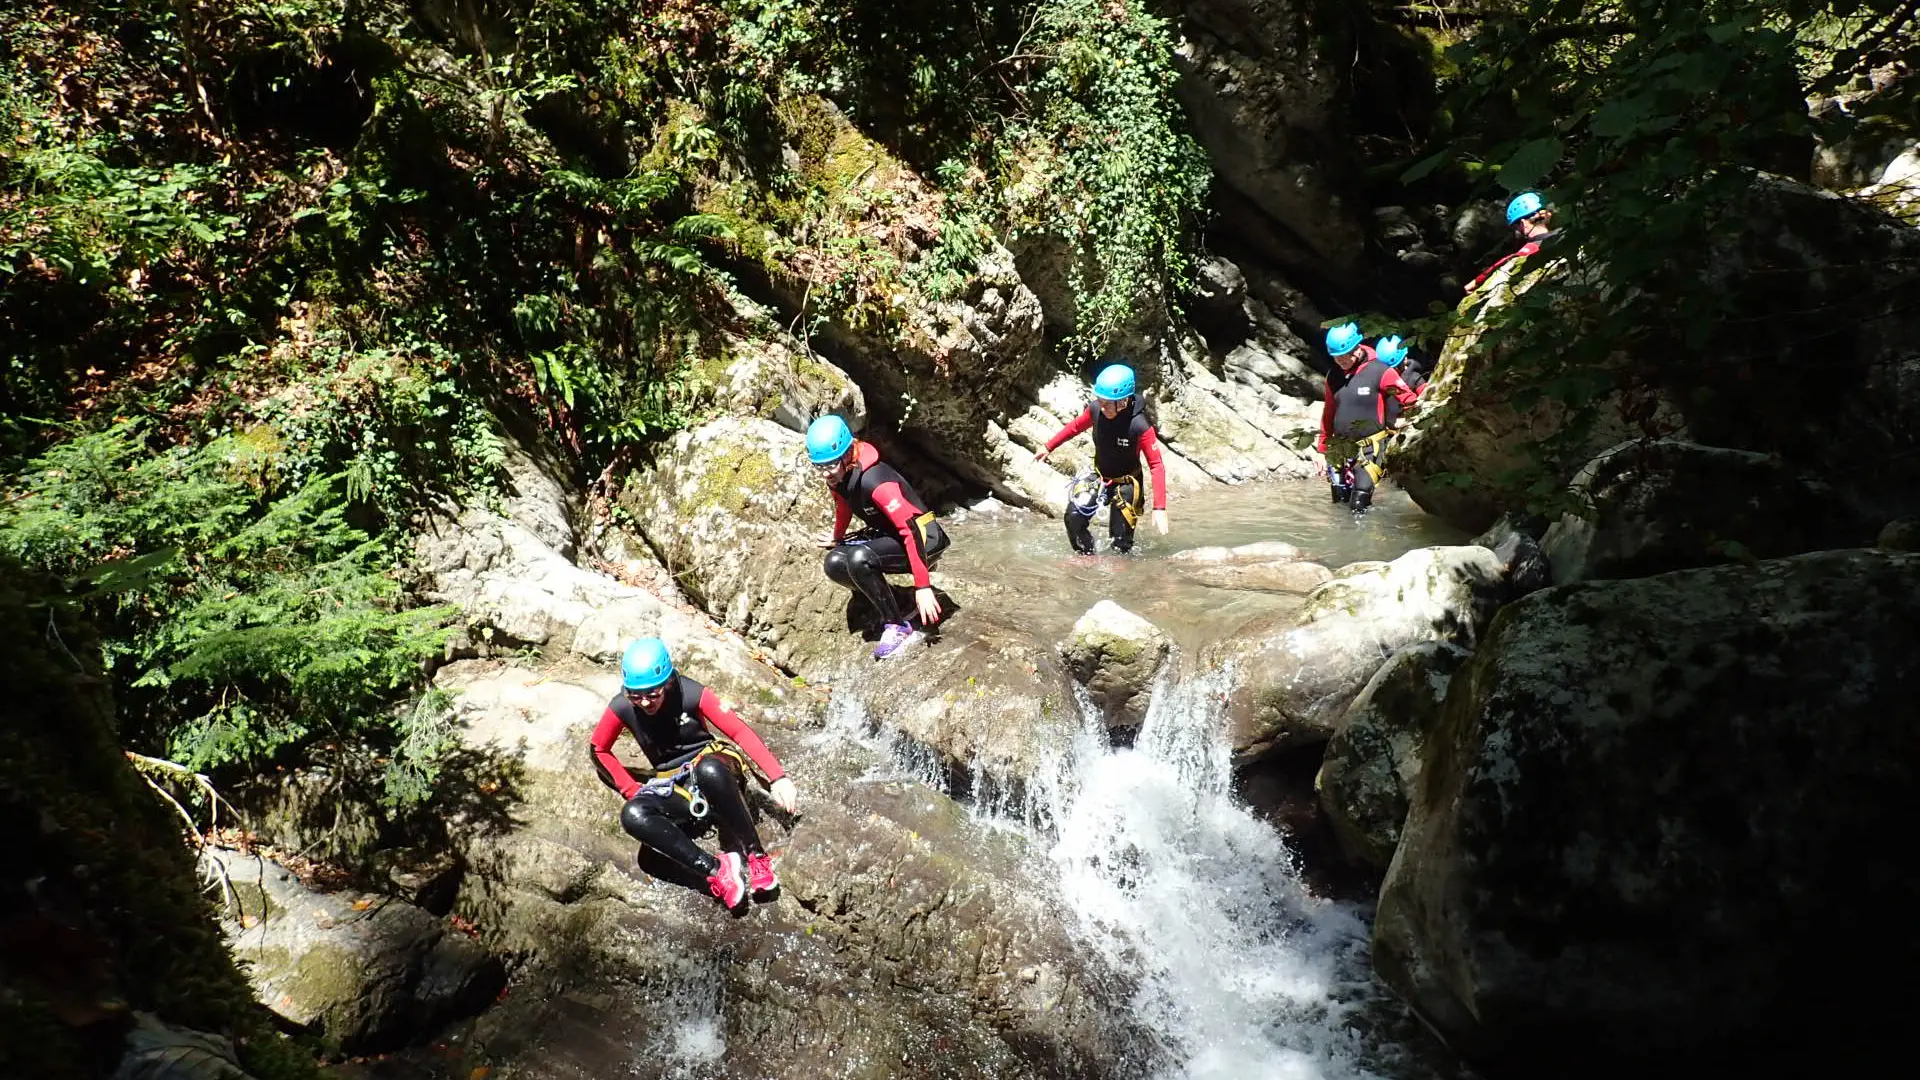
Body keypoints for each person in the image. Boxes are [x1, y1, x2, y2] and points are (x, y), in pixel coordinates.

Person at [589, 638, 800, 910]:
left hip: (715, 770)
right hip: (675, 786)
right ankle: (717, 871)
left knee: (708, 769)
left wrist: (777, 777)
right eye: (635, 694)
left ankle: (757, 857)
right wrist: (633, 790)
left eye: (652, 693)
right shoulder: (622, 706)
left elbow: (738, 731)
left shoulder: (691, 693)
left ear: (666, 682)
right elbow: (598, 749)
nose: (644, 702)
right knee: (633, 817)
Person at [807, 414, 950, 659]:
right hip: (889, 534)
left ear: (846, 454)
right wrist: (837, 537)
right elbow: (843, 506)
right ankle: (896, 601)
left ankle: (896, 625)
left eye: (830, 465)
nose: (825, 474)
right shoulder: (839, 475)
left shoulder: (876, 482)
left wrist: (923, 586)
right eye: (819, 466)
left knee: (859, 559)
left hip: (925, 538)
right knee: (835, 562)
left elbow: (911, 530)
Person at [1033, 363, 1169, 555]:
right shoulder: (1096, 409)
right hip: (1099, 475)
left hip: (1127, 483)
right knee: (1073, 517)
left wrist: (1160, 508)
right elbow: (1074, 427)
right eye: (1100, 400)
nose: (1102, 407)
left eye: (1107, 403)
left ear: (1123, 401)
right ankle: (1086, 556)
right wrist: (1048, 446)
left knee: (1120, 542)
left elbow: (1156, 466)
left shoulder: (1140, 425)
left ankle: (1120, 570)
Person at [1318, 322, 1423, 514]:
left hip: (1369, 447)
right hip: (1339, 449)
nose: (1340, 360)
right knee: (1339, 504)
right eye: (1335, 357)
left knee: (1359, 503)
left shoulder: (1380, 371)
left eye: (1344, 355)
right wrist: (1322, 449)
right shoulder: (1333, 376)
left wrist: (1409, 424)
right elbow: (1328, 413)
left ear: (1356, 348)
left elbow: (1409, 399)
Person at [1464, 190, 1560, 294]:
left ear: (1522, 224)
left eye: (1516, 226)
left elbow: (1510, 260)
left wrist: (1477, 281)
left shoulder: (1533, 247)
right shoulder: (1564, 234)